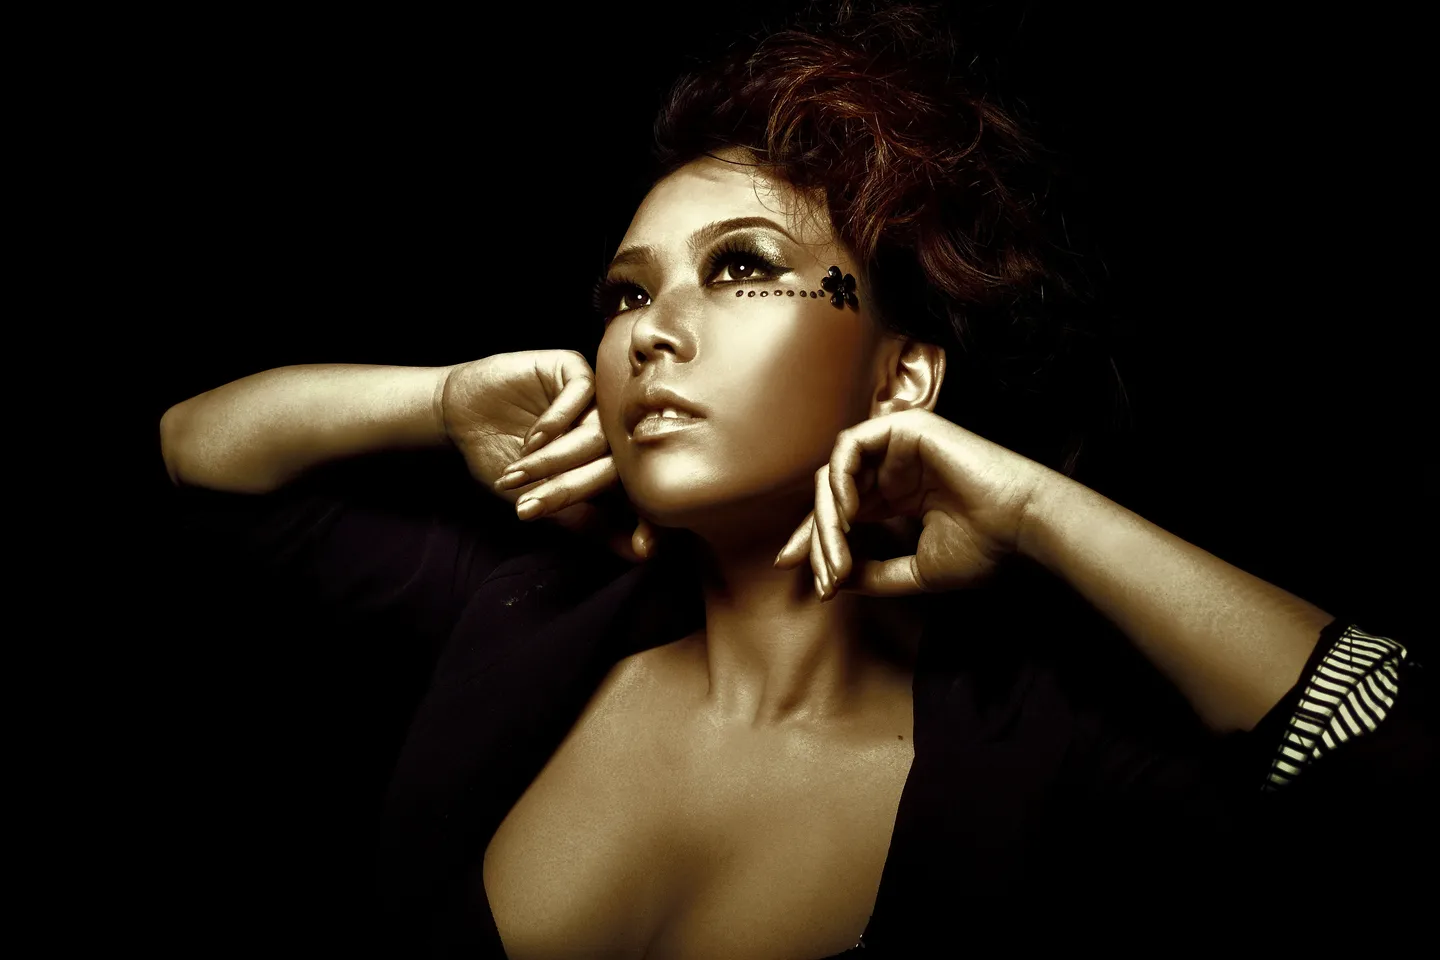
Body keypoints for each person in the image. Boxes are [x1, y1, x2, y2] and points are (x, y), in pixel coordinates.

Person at [158, 2, 1432, 956]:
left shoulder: (1036, 745)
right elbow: (195, 458)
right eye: (627, 292)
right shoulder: (522, 608)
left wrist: (1034, 507)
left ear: (902, 375)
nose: (651, 332)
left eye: (741, 268)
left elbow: (1386, 760)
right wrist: (438, 402)